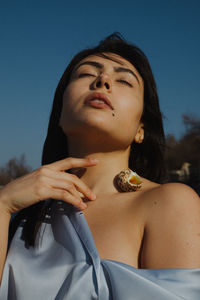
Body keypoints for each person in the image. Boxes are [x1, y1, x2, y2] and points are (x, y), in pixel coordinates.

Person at [0, 33, 200, 299]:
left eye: (124, 80)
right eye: (85, 74)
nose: (102, 81)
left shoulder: (170, 202)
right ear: (59, 113)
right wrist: (3, 206)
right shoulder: (19, 216)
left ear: (141, 129)